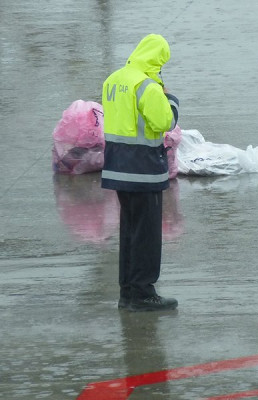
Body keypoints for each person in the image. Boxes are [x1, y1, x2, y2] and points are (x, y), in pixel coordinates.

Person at [101, 34, 180, 311]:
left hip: (117, 167)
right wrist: (171, 99)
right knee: (147, 235)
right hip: (144, 169)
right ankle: (144, 293)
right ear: (157, 61)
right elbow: (164, 122)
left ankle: (128, 293)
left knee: (129, 232)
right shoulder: (147, 85)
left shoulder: (113, 79)